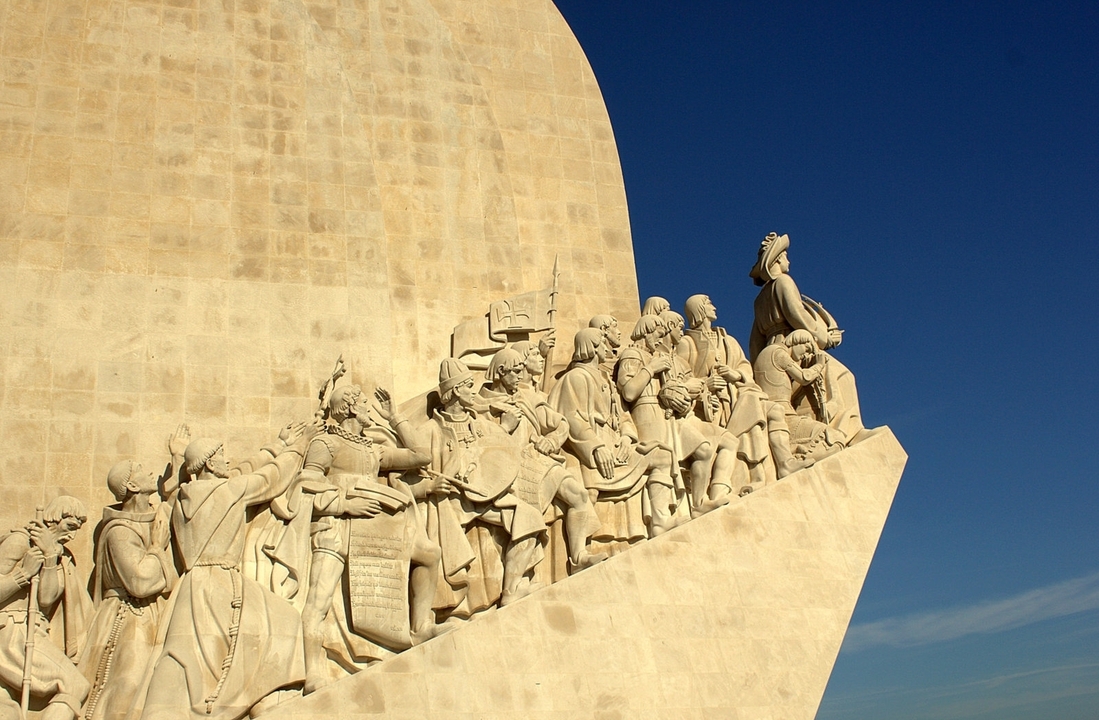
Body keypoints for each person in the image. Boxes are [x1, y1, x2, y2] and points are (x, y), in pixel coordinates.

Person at [136, 424, 313, 720]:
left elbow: (243, 470)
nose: (227, 460)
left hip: (190, 586)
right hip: (222, 581)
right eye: (221, 455)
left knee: (194, 659)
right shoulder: (230, 490)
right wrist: (297, 447)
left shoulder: (180, 498)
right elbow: (270, 478)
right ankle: (254, 702)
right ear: (209, 463)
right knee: (286, 622)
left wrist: (277, 443)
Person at [295, 384, 445, 693]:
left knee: (429, 554)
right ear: (349, 408)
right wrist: (344, 504)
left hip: (374, 528)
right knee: (318, 598)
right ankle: (313, 672)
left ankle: (421, 626)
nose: (368, 408)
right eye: (364, 402)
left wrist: (396, 417)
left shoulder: (371, 448)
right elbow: (306, 484)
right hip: (335, 526)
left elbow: (421, 456)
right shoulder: (326, 443)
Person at [409, 359, 546, 618]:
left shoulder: (480, 423)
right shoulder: (430, 430)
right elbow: (409, 471)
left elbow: (499, 457)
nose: (475, 391)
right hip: (453, 503)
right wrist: (429, 486)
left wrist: (504, 429)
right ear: (457, 390)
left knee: (529, 518)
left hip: (485, 498)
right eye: (469, 386)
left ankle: (511, 591)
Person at [549, 328, 676, 552]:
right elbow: (570, 417)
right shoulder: (576, 378)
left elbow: (623, 414)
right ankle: (579, 553)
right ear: (592, 347)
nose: (608, 348)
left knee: (662, 457)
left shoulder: (605, 379)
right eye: (602, 344)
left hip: (617, 448)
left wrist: (627, 437)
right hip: (591, 451)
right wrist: (596, 447)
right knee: (587, 493)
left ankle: (660, 521)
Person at [481, 348, 604, 572]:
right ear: (501, 371)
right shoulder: (481, 404)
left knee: (579, 495)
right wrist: (504, 427)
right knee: (527, 522)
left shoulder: (527, 397)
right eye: (516, 371)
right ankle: (516, 584)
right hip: (509, 470)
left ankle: (578, 557)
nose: (521, 376)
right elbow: (480, 446)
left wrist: (553, 440)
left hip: (536, 460)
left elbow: (561, 424)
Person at [79, 455, 179, 720]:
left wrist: (178, 458)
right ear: (132, 486)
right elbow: (140, 581)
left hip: (149, 616)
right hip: (126, 618)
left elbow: (179, 501)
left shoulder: (150, 519)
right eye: (140, 470)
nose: (148, 472)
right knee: (128, 684)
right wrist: (157, 547)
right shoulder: (119, 532)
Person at [748, 231, 863, 439]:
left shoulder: (759, 300)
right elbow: (798, 315)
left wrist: (758, 370)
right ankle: (844, 433)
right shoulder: (783, 282)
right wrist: (825, 338)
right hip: (796, 346)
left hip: (770, 354)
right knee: (843, 376)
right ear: (777, 259)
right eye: (785, 256)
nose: (788, 260)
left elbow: (755, 342)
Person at [0, 497, 91, 720]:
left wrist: (50, 559)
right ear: (53, 520)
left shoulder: (60, 556)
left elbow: (46, 599)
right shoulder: (20, 541)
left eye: (76, 530)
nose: (72, 536)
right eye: (69, 527)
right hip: (13, 631)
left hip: (35, 630)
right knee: (75, 685)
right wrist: (22, 575)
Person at [753, 330, 846, 462]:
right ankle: (799, 459)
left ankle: (797, 453)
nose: (805, 355)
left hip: (783, 412)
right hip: (784, 416)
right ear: (797, 341)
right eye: (806, 348)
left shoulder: (769, 353)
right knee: (835, 438)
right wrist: (819, 365)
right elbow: (804, 376)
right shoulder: (778, 353)